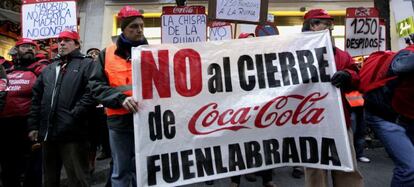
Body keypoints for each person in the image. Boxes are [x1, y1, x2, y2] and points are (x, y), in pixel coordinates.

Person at [301, 9, 364, 187]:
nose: (329, 28)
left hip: (339, 122)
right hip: (310, 123)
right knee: (315, 172)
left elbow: (356, 78)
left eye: (330, 25)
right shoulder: (295, 53)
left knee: (347, 168)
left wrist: (348, 75)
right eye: (324, 24)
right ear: (311, 26)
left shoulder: (341, 55)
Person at [27, 30, 95, 187]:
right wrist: (34, 126)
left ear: (77, 44)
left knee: (78, 179)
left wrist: (73, 116)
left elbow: (91, 93)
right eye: (59, 40)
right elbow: (37, 99)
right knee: (49, 180)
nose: (62, 43)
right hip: (48, 134)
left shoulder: (87, 64)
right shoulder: (49, 68)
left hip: (73, 133)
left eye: (67, 40)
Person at [89, 6, 147, 187]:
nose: (139, 30)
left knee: (142, 169)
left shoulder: (151, 51)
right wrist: (120, 98)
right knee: (121, 169)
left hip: (146, 119)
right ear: (123, 29)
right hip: (119, 121)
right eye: (134, 27)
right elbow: (96, 86)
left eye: (141, 26)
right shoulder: (106, 54)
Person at [363, 37, 414, 187]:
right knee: (409, 169)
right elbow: (399, 66)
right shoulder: (405, 55)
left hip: (405, 116)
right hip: (385, 116)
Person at [0, 38, 47, 187]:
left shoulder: (41, 69)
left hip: (29, 124)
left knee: (32, 166)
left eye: (33, 47)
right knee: (8, 164)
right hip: (6, 124)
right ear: (16, 51)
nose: (30, 49)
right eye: (25, 46)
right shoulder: (7, 70)